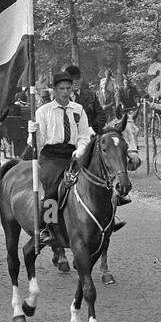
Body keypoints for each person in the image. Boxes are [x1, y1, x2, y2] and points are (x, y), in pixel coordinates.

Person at [35, 68, 94, 250]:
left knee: (95, 180)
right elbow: (40, 141)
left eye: (69, 88)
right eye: (62, 89)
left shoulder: (78, 110)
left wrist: (81, 149)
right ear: (54, 90)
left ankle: (103, 220)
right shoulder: (44, 111)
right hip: (51, 156)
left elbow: (84, 135)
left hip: (72, 154)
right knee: (53, 189)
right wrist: (33, 133)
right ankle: (47, 227)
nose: (66, 92)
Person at [67, 65, 107, 133]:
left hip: (89, 137)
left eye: (78, 78)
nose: (75, 82)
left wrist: (93, 129)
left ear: (81, 79)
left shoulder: (91, 96)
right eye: (71, 79)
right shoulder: (60, 99)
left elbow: (101, 115)